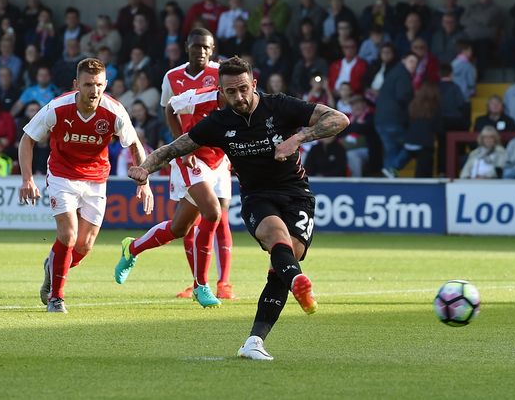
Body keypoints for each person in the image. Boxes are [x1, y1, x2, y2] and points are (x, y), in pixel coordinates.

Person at [126, 56, 350, 360]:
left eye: (243, 89)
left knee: (282, 264)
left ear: (254, 84)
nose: (239, 97)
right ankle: (297, 280)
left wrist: (298, 138)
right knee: (276, 238)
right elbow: (174, 148)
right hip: (257, 196)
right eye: (230, 92)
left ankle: (254, 341)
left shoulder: (280, 106)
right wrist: (145, 168)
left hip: (297, 194)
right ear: (221, 91)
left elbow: (339, 119)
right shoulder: (220, 121)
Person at [18, 58, 154, 313]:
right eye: (88, 84)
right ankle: (56, 298)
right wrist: (27, 179)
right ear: (76, 84)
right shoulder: (57, 107)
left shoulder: (114, 111)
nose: (94, 90)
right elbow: (27, 139)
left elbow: (135, 144)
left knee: (84, 246)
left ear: (106, 84)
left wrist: (143, 181)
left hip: (96, 179)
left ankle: (52, 266)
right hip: (62, 175)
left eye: (99, 85)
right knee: (68, 235)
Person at [153, 27, 235, 302]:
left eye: (206, 47)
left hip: (218, 158)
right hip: (188, 158)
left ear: (212, 49)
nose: (201, 50)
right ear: (187, 45)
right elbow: (169, 110)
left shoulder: (220, 74)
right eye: (196, 45)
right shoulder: (172, 77)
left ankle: (224, 283)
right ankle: (198, 282)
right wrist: (181, 146)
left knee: (220, 218)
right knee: (189, 222)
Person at [375, 52, 418, 175]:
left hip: (381, 119)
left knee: (391, 150)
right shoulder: (403, 74)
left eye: (416, 62)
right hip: (394, 120)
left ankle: (389, 176)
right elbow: (403, 96)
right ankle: (393, 168)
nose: (414, 65)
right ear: (403, 61)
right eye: (411, 61)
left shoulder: (394, 73)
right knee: (413, 145)